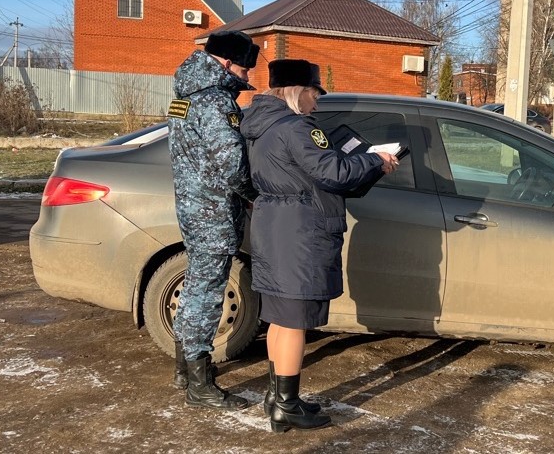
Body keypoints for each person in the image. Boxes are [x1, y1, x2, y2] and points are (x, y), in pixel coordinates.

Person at [240, 59, 398, 433]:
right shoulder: (296, 128)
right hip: (300, 233)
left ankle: (277, 396)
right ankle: (287, 405)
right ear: (297, 91)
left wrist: (367, 166)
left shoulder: (262, 127)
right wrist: (375, 159)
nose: (317, 102)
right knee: (294, 322)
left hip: (276, 227)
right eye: (314, 93)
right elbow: (334, 172)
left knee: (279, 318)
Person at [167, 31, 259, 411]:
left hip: (192, 207)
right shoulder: (215, 102)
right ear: (226, 63)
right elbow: (232, 164)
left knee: (194, 289)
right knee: (206, 295)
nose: (245, 74)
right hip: (214, 213)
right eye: (243, 67)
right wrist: (257, 196)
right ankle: (200, 385)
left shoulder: (184, 97)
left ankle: (183, 369)